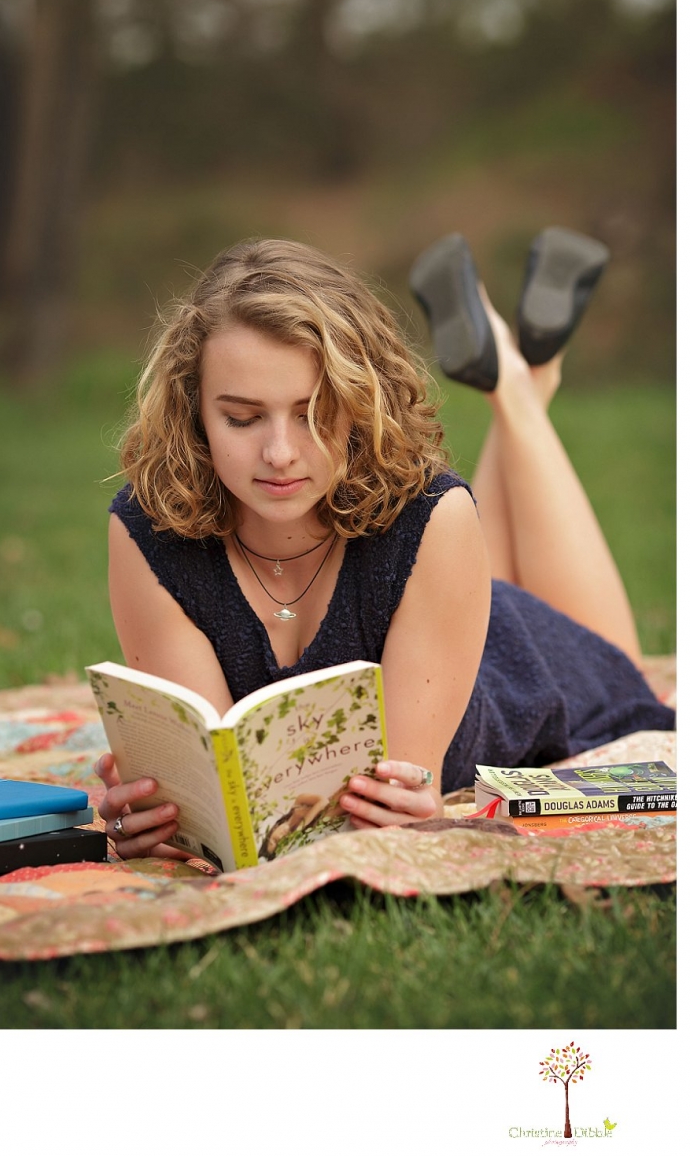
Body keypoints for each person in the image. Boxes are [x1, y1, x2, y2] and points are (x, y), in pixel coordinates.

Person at [95, 236, 674, 859]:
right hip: (447, 597)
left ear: (358, 401)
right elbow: (220, 799)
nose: (280, 453)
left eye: (314, 413)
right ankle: (523, 378)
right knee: (466, 542)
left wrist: (411, 808)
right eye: (242, 418)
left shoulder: (433, 514)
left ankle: (519, 387)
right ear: (192, 413)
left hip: (524, 667)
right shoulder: (149, 531)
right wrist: (170, 819)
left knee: (625, 671)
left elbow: (395, 799)